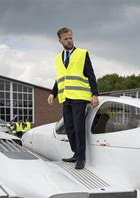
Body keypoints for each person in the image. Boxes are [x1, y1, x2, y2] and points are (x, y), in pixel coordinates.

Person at [47, 26, 99, 170]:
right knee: (69, 128)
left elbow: (91, 75)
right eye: (66, 39)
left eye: (71, 38)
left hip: (80, 97)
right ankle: (76, 153)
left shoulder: (82, 54)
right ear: (60, 40)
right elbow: (60, 78)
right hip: (66, 97)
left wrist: (95, 94)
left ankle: (81, 158)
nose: (69, 41)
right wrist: (53, 93)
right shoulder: (58, 58)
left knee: (79, 127)